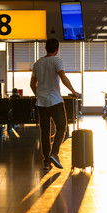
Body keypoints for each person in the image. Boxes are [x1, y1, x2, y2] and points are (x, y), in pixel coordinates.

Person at [30, 38, 80, 170]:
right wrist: (74, 91)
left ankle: (46, 162)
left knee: (44, 132)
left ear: (46, 48)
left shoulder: (37, 63)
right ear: (57, 49)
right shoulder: (57, 61)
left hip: (41, 102)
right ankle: (54, 153)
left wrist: (39, 95)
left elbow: (32, 84)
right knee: (62, 127)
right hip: (55, 101)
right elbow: (63, 78)